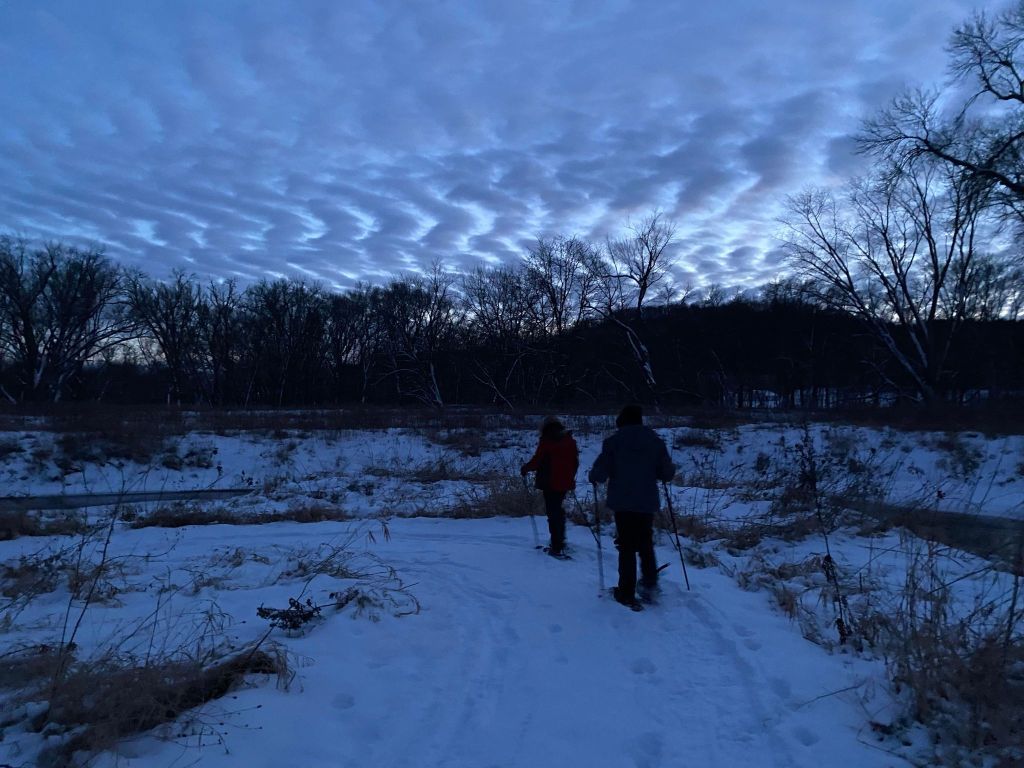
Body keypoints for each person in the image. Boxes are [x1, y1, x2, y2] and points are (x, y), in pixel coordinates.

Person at [588, 404, 675, 607]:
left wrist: (593, 476)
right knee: (645, 542)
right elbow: (666, 473)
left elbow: (600, 472)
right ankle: (650, 586)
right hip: (646, 501)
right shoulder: (655, 442)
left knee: (626, 545)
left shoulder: (613, 442)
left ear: (622, 421)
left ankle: (626, 592)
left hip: (623, 502)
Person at [521, 416, 579, 557]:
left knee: (553, 512)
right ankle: (560, 540)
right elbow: (575, 462)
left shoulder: (547, 441)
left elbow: (537, 460)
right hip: (565, 481)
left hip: (550, 482)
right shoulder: (569, 441)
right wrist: (570, 476)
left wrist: (525, 468)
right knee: (557, 510)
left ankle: (556, 545)